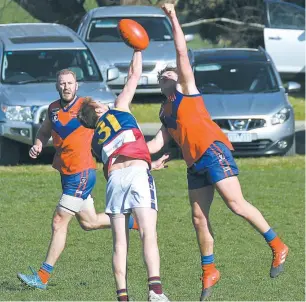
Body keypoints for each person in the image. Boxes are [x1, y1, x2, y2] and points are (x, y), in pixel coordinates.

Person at [146, 4, 289, 301]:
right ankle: (209, 270)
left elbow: (182, 53)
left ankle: (277, 245)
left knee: (235, 204)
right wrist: (130, 155)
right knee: (198, 218)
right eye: (164, 77)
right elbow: (157, 143)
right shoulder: (165, 110)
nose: (170, 77)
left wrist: (172, 16)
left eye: (173, 74)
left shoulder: (188, 91)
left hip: (212, 150)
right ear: (160, 84)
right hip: (194, 164)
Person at [17, 69, 138, 290]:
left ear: (76, 86)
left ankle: (42, 277)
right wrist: (38, 143)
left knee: (58, 221)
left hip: (82, 173)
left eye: (70, 83)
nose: (66, 87)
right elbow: (44, 132)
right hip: (66, 172)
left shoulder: (86, 106)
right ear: (57, 86)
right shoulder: (53, 109)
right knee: (88, 222)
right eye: (62, 83)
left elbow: (111, 116)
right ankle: (133, 221)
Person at [77, 50, 169, 302]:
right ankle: (155, 291)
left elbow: (127, 151)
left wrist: (150, 164)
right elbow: (134, 74)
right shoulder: (119, 107)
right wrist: (138, 47)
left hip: (116, 180)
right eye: (97, 102)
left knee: (120, 244)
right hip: (137, 173)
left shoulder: (95, 142)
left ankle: (123, 297)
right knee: (147, 233)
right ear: (96, 110)